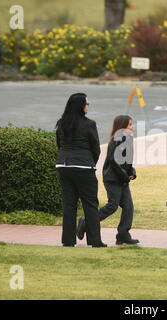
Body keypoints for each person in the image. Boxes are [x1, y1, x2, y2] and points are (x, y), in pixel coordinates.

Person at [77, 115, 139, 245]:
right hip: (113, 180)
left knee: (128, 207)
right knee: (112, 206)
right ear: (122, 126)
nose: (132, 127)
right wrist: (124, 175)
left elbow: (127, 162)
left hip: (122, 179)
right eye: (129, 124)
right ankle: (86, 222)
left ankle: (123, 234)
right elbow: (112, 160)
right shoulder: (117, 139)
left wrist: (131, 172)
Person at [56, 93, 106, 247]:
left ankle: (68, 241)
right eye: (87, 103)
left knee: (69, 205)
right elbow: (95, 148)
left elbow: (59, 145)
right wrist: (90, 163)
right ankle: (95, 241)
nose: (88, 106)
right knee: (90, 204)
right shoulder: (89, 124)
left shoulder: (61, 123)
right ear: (80, 106)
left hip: (63, 166)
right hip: (84, 167)